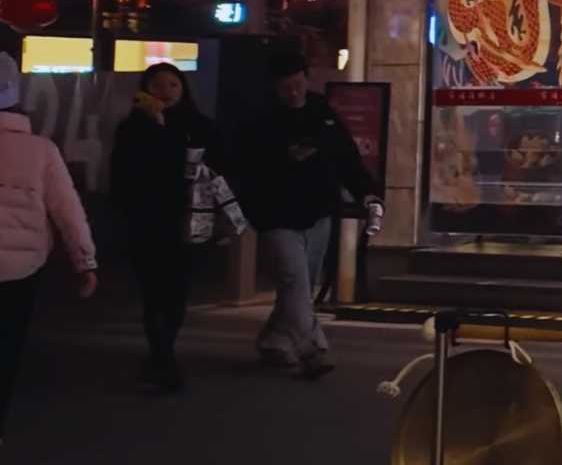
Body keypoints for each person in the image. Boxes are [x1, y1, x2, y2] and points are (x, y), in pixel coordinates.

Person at [230, 50, 379, 379]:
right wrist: (285, 157)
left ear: (306, 79)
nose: (293, 92)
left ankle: (275, 340)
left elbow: (346, 157)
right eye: (286, 87)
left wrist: (367, 192)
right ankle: (314, 348)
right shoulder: (260, 118)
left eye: (297, 84)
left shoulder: (322, 111)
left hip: (318, 212)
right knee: (294, 279)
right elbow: (243, 161)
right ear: (275, 87)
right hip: (276, 214)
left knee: (301, 284)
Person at [0, 50, 99, 439]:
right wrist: (85, 261)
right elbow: (67, 211)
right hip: (22, 268)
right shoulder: (42, 151)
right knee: (8, 342)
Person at [111, 62, 219, 392]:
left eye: (173, 85)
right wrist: (155, 127)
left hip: (186, 219)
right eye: (158, 85)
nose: (166, 92)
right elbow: (125, 173)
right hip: (147, 219)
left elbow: (215, 167)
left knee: (177, 290)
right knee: (152, 290)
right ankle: (161, 355)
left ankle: (164, 350)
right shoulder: (132, 128)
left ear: (184, 89)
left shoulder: (199, 126)